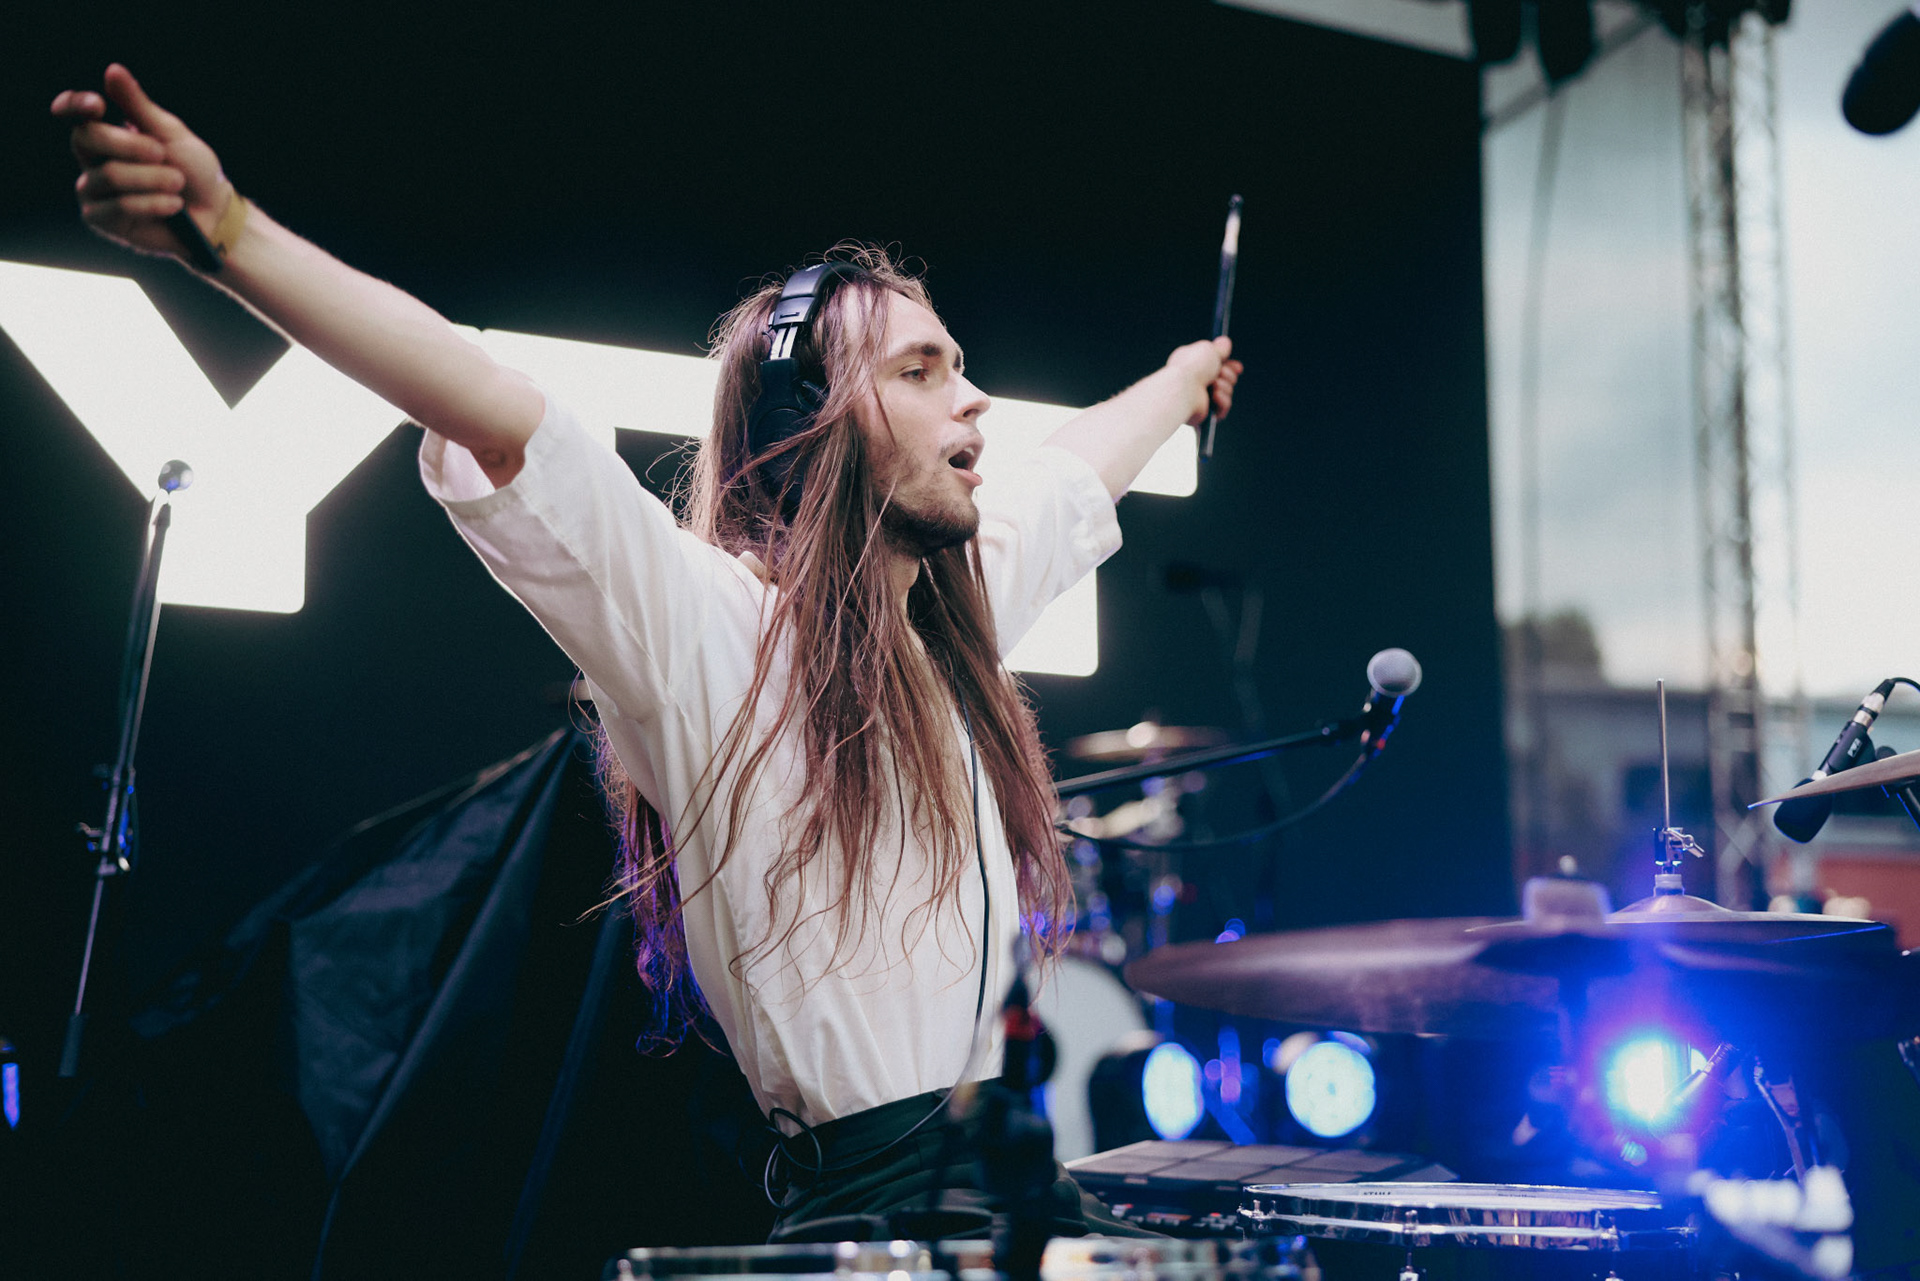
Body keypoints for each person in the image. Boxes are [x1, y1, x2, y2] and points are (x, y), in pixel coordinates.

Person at [53, 65, 1243, 1241]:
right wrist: (230, 233)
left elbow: (1081, 467)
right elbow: (484, 402)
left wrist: (1183, 382)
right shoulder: (706, 629)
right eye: (921, 372)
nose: (973, 400)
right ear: (807, 425)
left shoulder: (958, 613)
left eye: (960, 367)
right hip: (874, 1226)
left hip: (1003, 1199)